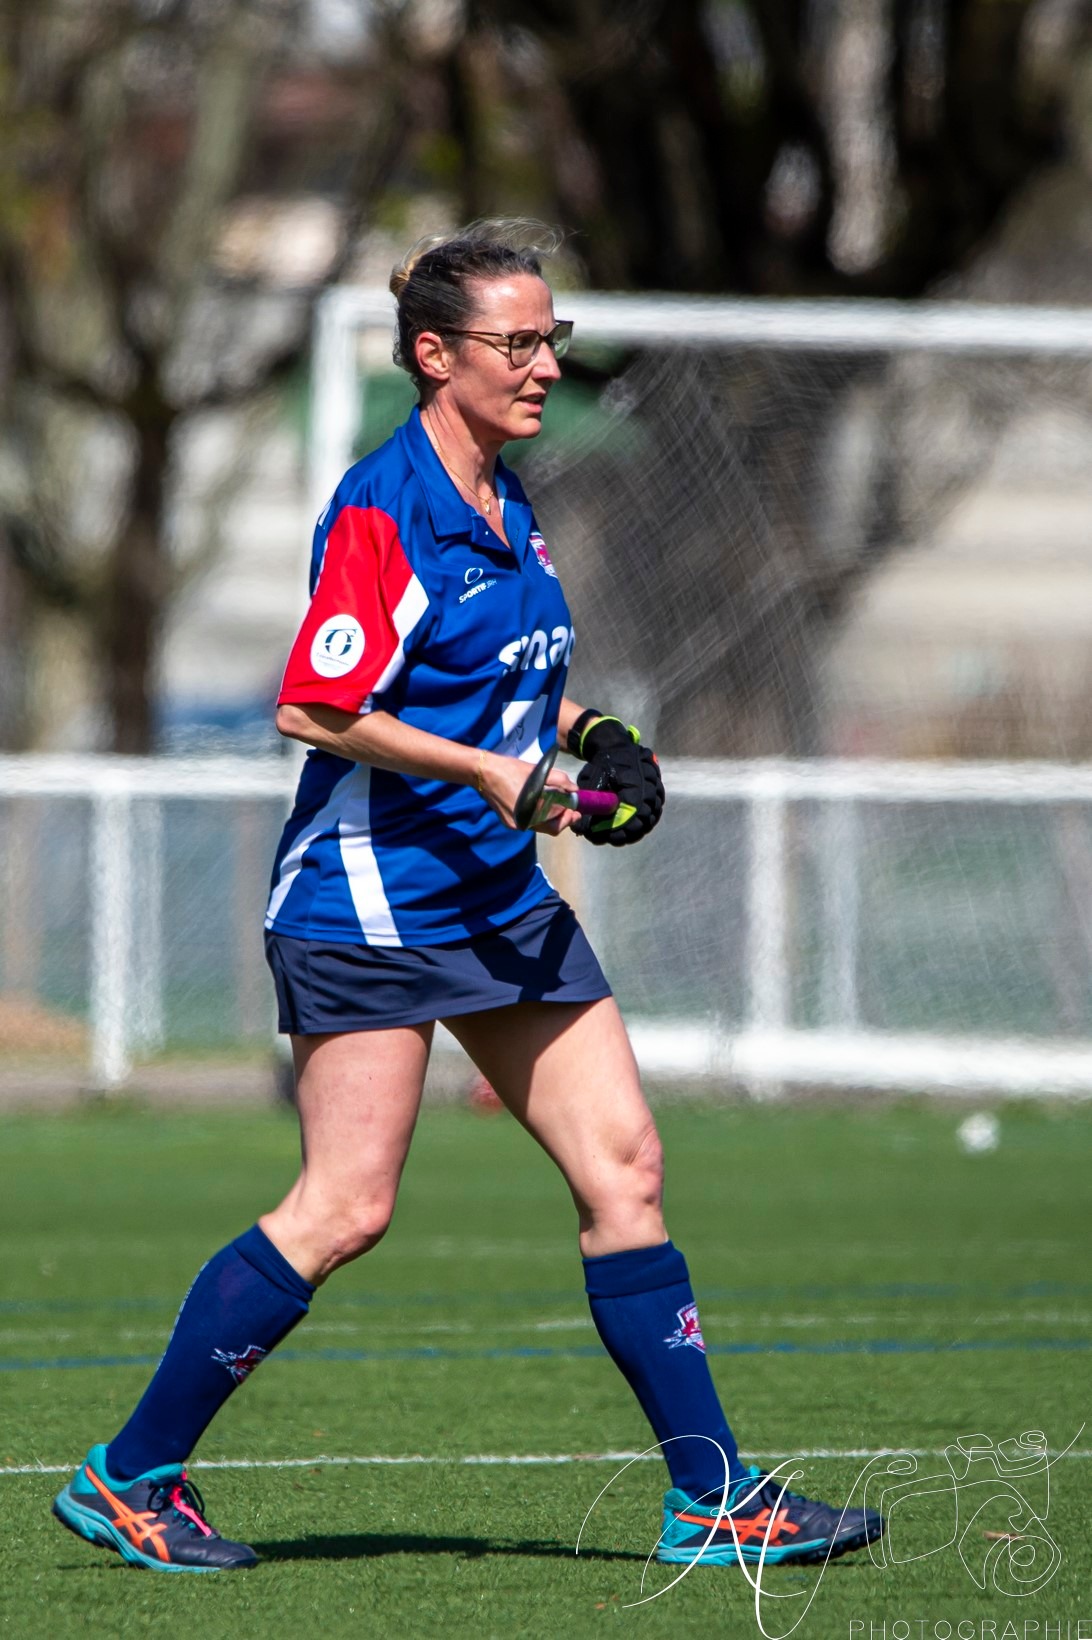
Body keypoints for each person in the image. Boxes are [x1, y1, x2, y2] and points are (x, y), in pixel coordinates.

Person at [53, 220, 884, 1575]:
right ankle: (133, 1475)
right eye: (519, 341)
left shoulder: (511, 498)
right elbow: (317, 706)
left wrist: (589, 731)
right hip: (371, 901)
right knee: (344, 1208)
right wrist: (501, 773)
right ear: (435, 356)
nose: (546, 362)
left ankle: (714, 1497)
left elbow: (510, 677)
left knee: (628, 1169)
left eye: (551, 337)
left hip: (496, 894)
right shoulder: (387, 506)